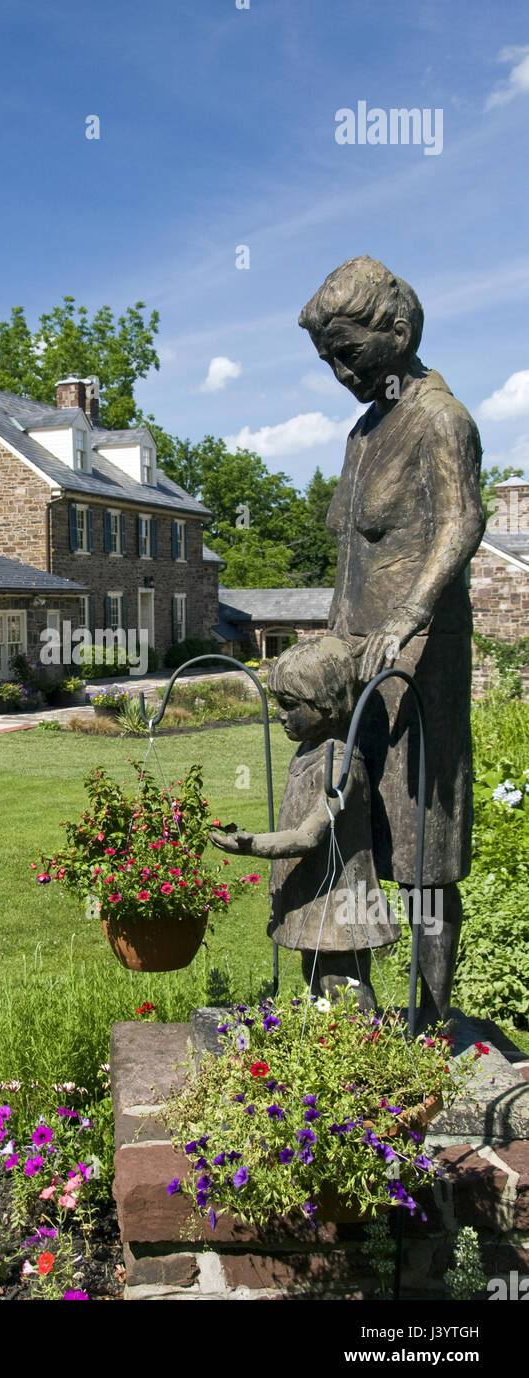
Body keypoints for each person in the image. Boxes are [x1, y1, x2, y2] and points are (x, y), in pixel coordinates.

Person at [296, 256, 485, 1028]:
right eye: (327, 358)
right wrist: (332, 640)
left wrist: (406, 617)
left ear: (398, 332)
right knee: (350, 820)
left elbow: (462, 523)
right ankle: (352, 1002)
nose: (340, 371)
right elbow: (353, 555)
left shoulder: (441, 418)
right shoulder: (364, 431)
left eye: (349, 351)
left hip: (418, 664)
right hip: (354, 666)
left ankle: (434, 1021)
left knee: (424, 852)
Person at [210, 636, 398, 1010]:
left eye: (291, 705)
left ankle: (362, 1049)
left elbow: (308, 836)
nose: (281, 714)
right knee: (314, 973)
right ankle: (329, 1048)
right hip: (316, 894)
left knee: (342, 980)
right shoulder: (311, 751)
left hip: (340, 898)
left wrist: (251, 844)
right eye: (280, 704)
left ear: (328, 704)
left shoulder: (342, 767)